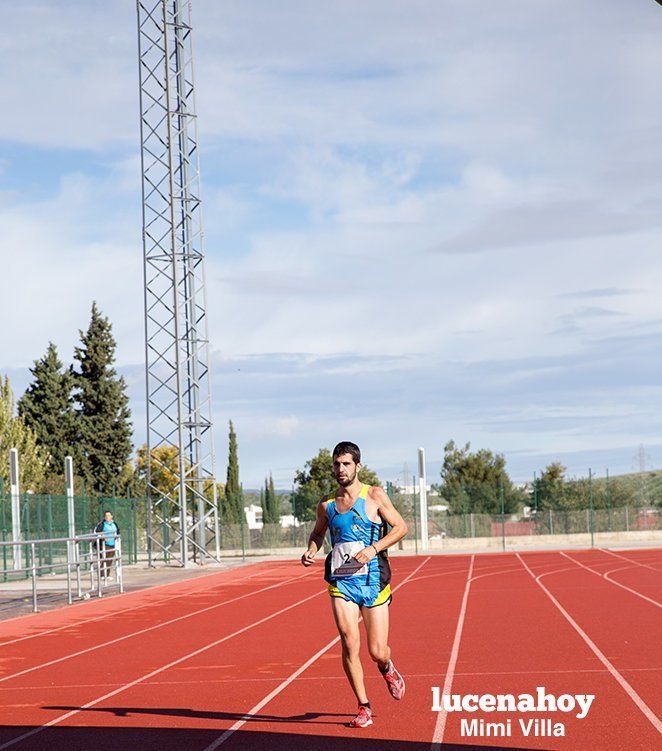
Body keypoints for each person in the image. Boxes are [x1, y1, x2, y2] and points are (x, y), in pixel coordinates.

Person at [301, 441, 408, 729]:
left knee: (377, 650)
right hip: (341, 580)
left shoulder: (374, 495)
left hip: (373, 580)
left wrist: (373, 549)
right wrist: (312, 549)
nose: (340, 469)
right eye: (336, 464)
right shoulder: (326, 504)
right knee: (349, 642)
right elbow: (318, 532)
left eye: (346, 464)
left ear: (357, 466)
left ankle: (386, 668)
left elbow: (400, 527)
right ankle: (364, 706)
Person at [94, 510, 120, 581]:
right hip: (103, 544)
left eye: (109, 515)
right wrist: (103, 536)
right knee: (104, 559)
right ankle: (102, 575)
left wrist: (117, 538)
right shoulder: (102, 524)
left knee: (110, 560)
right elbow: (97, 532)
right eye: (106, 516)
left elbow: (118, 531)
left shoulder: (114, 523)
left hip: (112, 544)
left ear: (112, 516)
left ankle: (107, 575)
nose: (107, 517)